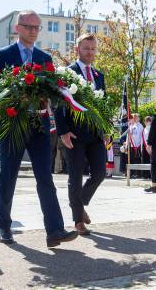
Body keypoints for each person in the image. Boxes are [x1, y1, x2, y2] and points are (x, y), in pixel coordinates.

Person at [0, 10, 77, 247]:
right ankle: (4, 227)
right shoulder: (3, 55)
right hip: (13, 124)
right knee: (8, 177)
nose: (33, 31)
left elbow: (56, 95)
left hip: (39, 125)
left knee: (45, 178)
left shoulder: (44, 58)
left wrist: (62, 128)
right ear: (18, 28)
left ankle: (55, 231)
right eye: (28, 26)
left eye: (37, 27)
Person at [55, 33, 106, 236]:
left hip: (95, 135)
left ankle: (79, 204)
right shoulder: (67, 73)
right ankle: (78, 221)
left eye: (93, 48)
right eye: (86, 48)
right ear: (77, 49)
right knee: (75, 177)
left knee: (100, 173)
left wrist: (106, 130)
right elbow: (58, 104)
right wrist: (63, 131)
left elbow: (103, 106)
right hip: (73, 135)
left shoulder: (99, 76)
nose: (90, 52)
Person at [128, 113, 144, 178]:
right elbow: (130, 134)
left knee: (137, 160)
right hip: (132, 145)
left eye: (136, 117)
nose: (135, 118)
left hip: (138, 145)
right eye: (134, 117)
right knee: (132, 160)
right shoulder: (132, 125)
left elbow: (140, 136)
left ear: (139, 118)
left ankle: (138, 174)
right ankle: (132, 173)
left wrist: (139, 145)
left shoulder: (141, 126)